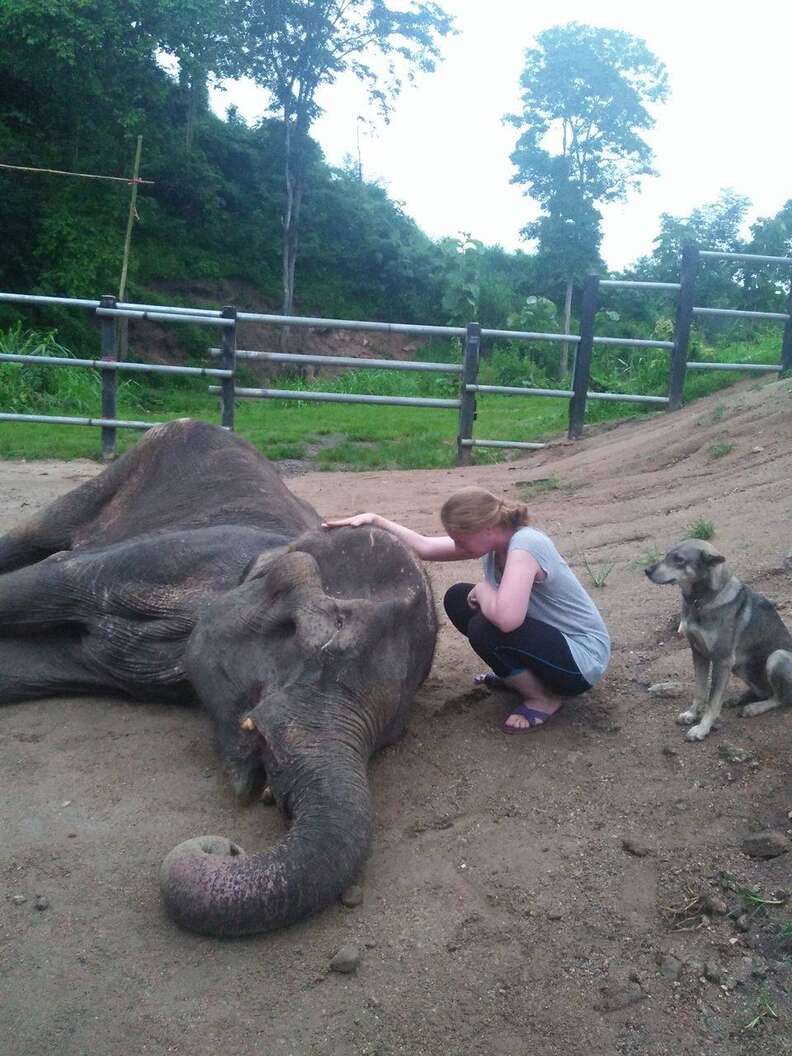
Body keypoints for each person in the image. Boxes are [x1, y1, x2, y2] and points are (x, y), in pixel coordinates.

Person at [322, 486, 610, 733]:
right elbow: (423, 547)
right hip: (550, 643)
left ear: (486, 529)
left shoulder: (526, 544)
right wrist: (376, 520)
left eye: (460, 540)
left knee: (486, 626)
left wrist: (485, 590)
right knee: (459, 598)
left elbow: (508, 620)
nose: (457, 546)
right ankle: (523, 678)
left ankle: (543, 698)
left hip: (581, 661)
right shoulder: (495, 542)